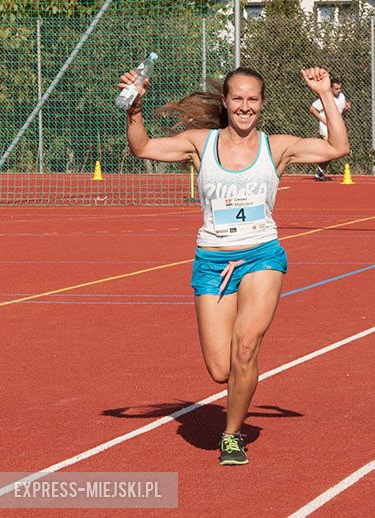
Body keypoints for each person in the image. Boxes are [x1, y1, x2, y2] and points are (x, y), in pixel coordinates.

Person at [118, 66, 349, 465]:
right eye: (238, 99)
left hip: (262, 255)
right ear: (225, 102)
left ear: (262, 104)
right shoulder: (199, 144)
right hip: (212, 260)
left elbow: (337, 149)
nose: (246, 107)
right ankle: (237, 393)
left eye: (253, 99)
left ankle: (231, 433)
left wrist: (326, 94)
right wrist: (134, 108)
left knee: (246, 348)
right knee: (220, 369)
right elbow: (143, 148)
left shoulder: (277, 147)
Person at [309, 77, 350, 181]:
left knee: (334, 151)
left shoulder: (342, 97)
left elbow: (340, 112)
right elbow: (312, 109)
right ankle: (319, 170)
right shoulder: (325, 98)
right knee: (332, 150)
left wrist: (346, 109)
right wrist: (323, 120)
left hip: (336, 129)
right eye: (336, 89)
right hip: (326, 128)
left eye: (340, 88)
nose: (339, 91)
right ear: (331, 89)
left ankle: (319, 169)